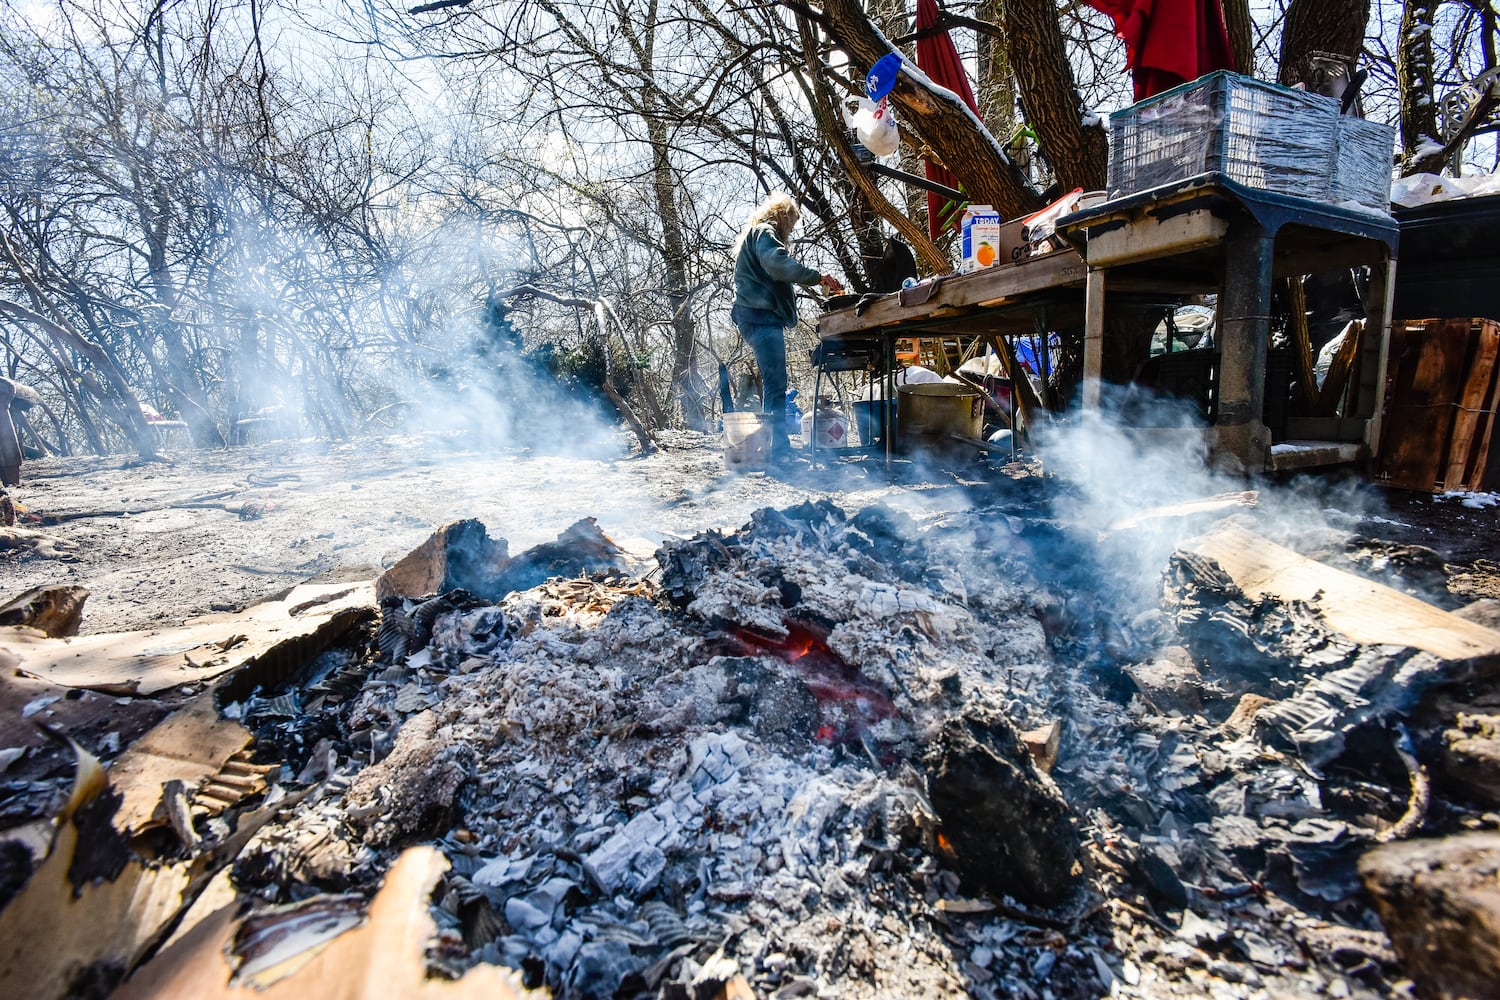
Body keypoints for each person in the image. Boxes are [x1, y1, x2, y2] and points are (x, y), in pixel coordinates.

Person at [731, 192, 843, 467]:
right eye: (791, 224)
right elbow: (778, 265)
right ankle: (777, 450)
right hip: (759, 317)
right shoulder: (765, 232)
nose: (791, 230)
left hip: (756, 316)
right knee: (776, 383)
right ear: (782, 217)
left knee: (774, 382)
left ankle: (775, 447)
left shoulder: (757, 234)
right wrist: (818, 277)